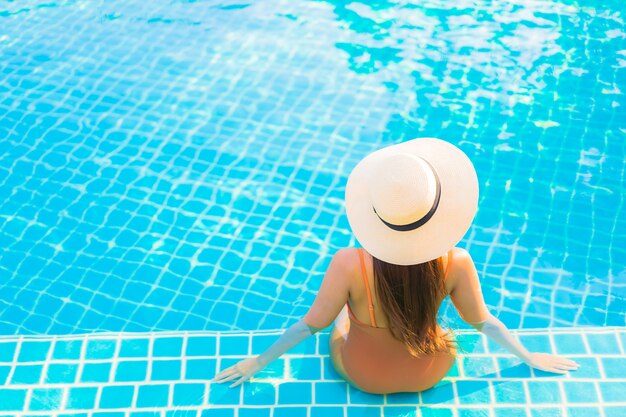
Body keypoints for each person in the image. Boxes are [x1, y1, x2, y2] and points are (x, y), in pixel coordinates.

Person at [212, 137, 579, 393]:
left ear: (376, 213)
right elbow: (483, 321)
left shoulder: (349, 262)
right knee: (436, 328)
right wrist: (529, 357)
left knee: (339, 319)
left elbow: (309, 325)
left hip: (363, 377)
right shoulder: (457, 261)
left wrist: (257, 363)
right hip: (431, 372)